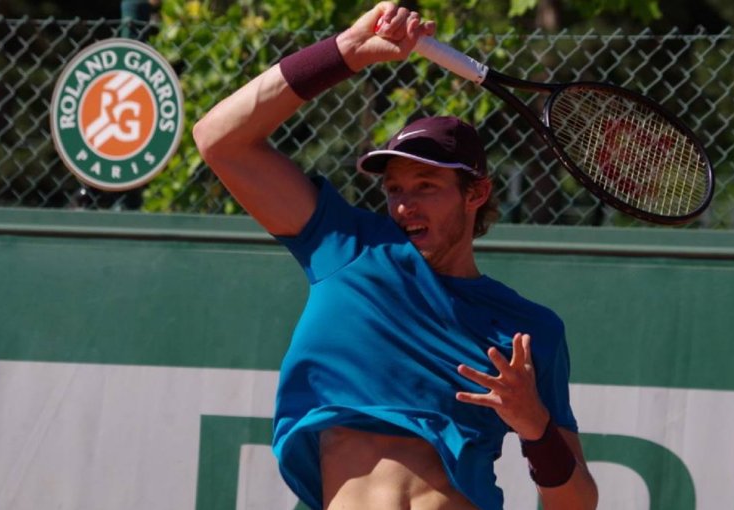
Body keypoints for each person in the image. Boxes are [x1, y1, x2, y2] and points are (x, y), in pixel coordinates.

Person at [192, 3, 598, 509]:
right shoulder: (348, 249)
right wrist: (345, 53)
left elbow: (576, 503)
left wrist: (535, 428)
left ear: (476, 194)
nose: (404, 204)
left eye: (426, 186)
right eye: (394, 188)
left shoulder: (529, 331)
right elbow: (219, 140)